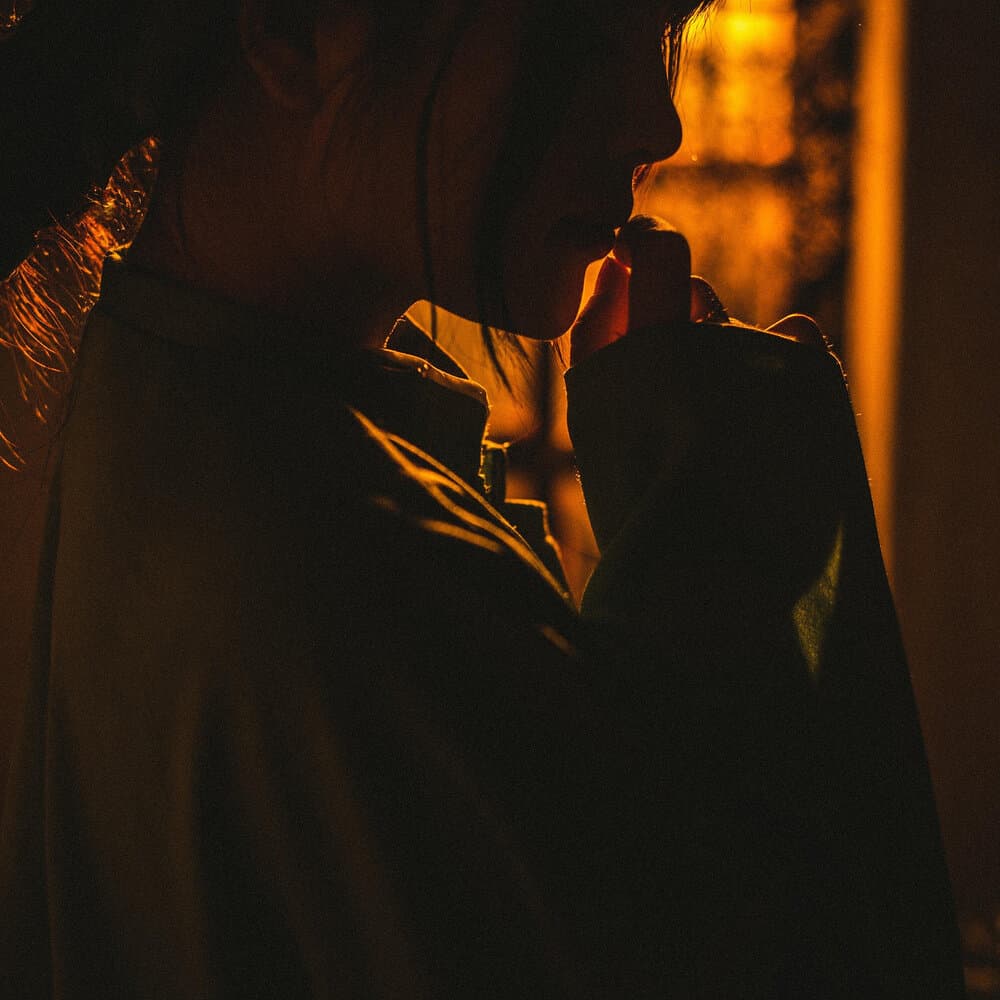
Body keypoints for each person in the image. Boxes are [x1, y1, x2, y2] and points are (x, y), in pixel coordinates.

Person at [0, 1, 964, 996]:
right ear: (294, 30)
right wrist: (730, 528)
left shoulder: (170, 406)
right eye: (585, 31)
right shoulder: (356, 577)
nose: (659, 123)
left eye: (661, 38)